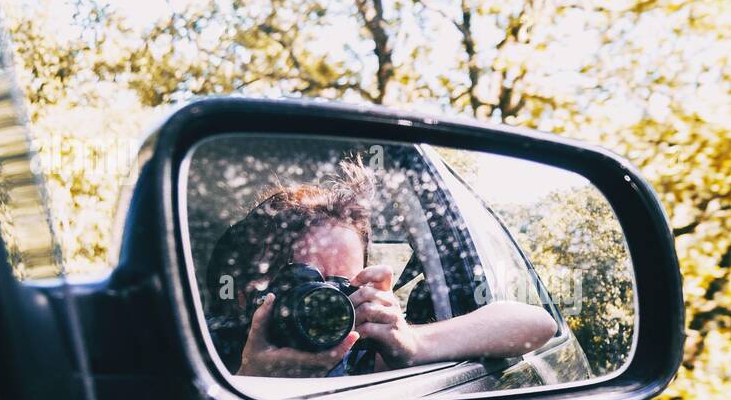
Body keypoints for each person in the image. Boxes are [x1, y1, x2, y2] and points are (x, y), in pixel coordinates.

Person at [204, 162, 556, 378]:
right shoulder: (206, 348)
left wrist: (413, 343)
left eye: (342, 285)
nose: (324, 301)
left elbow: (537, 324)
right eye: (301, 282)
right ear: (244, 293)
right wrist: (250, 375)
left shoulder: (362, 352)